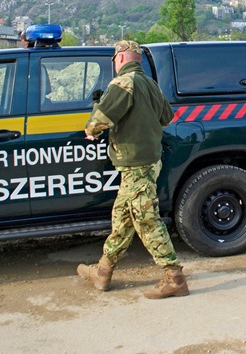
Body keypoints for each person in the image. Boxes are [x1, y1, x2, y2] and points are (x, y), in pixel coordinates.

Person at [76, 40, 188, 299]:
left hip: (134, 162)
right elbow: (166, 117)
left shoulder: (122, 83)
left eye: (115, 60)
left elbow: (100, 120)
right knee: (123, 218)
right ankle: (103, 271)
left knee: (146, 219)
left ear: (121, 58)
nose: (114, 65)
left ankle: (175, 277)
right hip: (149, 161)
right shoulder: (150, 84)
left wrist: (91, 128)